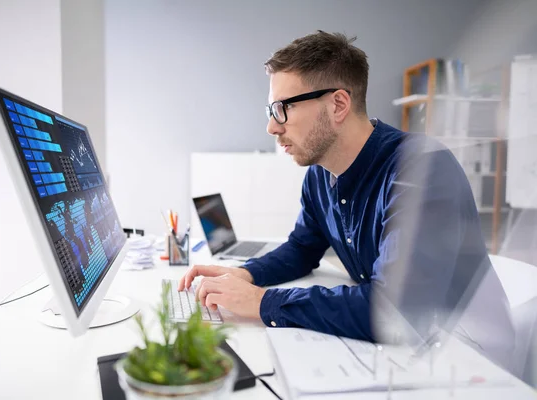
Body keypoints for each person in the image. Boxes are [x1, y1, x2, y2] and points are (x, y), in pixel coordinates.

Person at [178, 31, 513, 366]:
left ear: (338, 104)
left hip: (468, 353)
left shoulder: (423, 170)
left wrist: (263, 302)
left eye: (282, 109)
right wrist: (246, 275)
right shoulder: (319, 175)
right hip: (403, 349)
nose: (271, 127)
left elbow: (392, 310)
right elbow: (301, 249)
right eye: (271, 109)